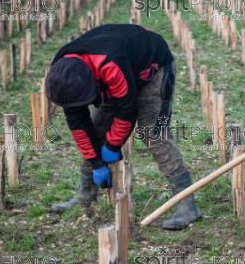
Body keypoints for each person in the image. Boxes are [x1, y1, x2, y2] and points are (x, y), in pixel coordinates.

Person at [44, 24, 201, 230]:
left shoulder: (110, 64)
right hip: (116, 72)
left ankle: (187, 204)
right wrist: (96, 163)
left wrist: (111, 147)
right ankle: (86, 195)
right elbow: (79, 124)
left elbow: (127, 110)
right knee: (97, 130)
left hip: (153, 70)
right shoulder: (62, 74)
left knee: (152, 133)